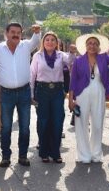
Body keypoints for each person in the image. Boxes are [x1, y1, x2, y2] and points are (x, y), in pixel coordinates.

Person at [68, 34, 109, 163]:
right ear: (85, 46)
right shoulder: (78, 61)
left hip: (99, 92)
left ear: (99, 47)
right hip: (82, 94)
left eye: (95, 44)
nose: (92, 46)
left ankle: (96, 154)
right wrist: (70, 100)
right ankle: (83, 155)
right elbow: (73, 81)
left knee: (97, 124)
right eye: (90, 43)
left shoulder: (104, 58)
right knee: (81, 124)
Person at [0, 23, 41, 168]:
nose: (16, 34)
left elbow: (35, 41)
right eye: (12, 32)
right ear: (6, 33)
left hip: (24, 92)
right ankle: (5, 156)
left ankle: (23, 156)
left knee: (24, 126)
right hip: (6, 93)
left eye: (18, 32)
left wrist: (37, 32)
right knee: (6, 127)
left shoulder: (25, 46)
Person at [30, 32, 74, 163]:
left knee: (57, 121)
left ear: (57, 43)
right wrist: (31, 94)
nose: (50, 42)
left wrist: (72, 52)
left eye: (53, 40)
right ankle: (44, 152)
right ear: (43, 42)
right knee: (43, 121)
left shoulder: (61, 56)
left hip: (57, 91)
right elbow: (32, 75)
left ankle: (55, 152)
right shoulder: (38, 56)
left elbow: (71, 61)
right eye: (47, 40)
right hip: (42, 90)